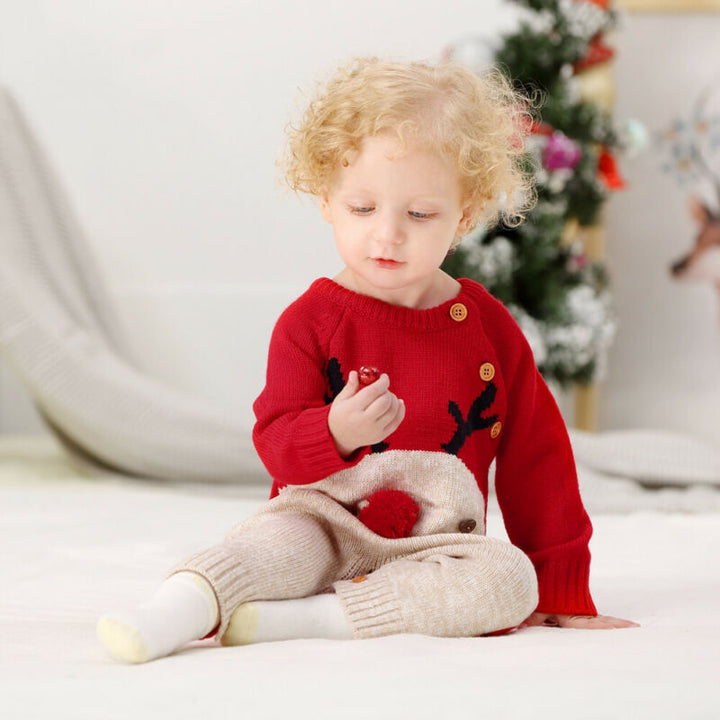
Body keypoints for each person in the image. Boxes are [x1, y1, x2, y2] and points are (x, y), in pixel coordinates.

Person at [97, 57, 638, 664]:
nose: (387, 236)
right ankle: (179, 608)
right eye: (362, 209)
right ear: (326, 199)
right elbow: (274, 440)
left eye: (419, 214)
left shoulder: (486, 329)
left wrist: (559, 582)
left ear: (462, 217)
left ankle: (312, 620)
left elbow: (538, 455)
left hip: (436, 547)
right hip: (320, 522)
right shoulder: (312, 321)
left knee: (506, 583)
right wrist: (335, 430)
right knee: (268, 544)